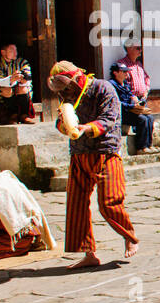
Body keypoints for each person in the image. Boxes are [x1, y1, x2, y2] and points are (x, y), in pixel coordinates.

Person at [46, 61, 138, 267]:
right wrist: (65, 126)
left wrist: (86, 128)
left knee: (109, 202)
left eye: (67, 87)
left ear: (77, 79)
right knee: (76, 205)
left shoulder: (103, 88)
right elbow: (60, 121)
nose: (65, 92)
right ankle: (88, 254)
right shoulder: (66, 95)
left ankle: (129, 237)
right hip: (79, 154)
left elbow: (109, 118)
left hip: (106, 152)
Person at [109, 62, 155, 154]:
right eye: (123, 72)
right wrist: (132, 106)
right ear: (115, 73)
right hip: (121, 113)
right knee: (142, 119)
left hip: (130, 110)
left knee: (150, 118)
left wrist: (136, 101)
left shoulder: (125, 84)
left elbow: (130, 95)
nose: (127, 74)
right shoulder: (112, 85)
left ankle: (148, 145)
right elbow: (117, 103)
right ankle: (141, 147)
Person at [0, 43, 35, 124]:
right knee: (6, 91)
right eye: (11, 50)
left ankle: (24, 115)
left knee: (23, 88)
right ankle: (13, 115)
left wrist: (21, 78)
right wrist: (12, 79)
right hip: (7, 95)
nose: (15, 53)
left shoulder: (22, 62)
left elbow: (28, 77)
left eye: (16, 50)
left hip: (23, 92)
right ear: (3, 52)